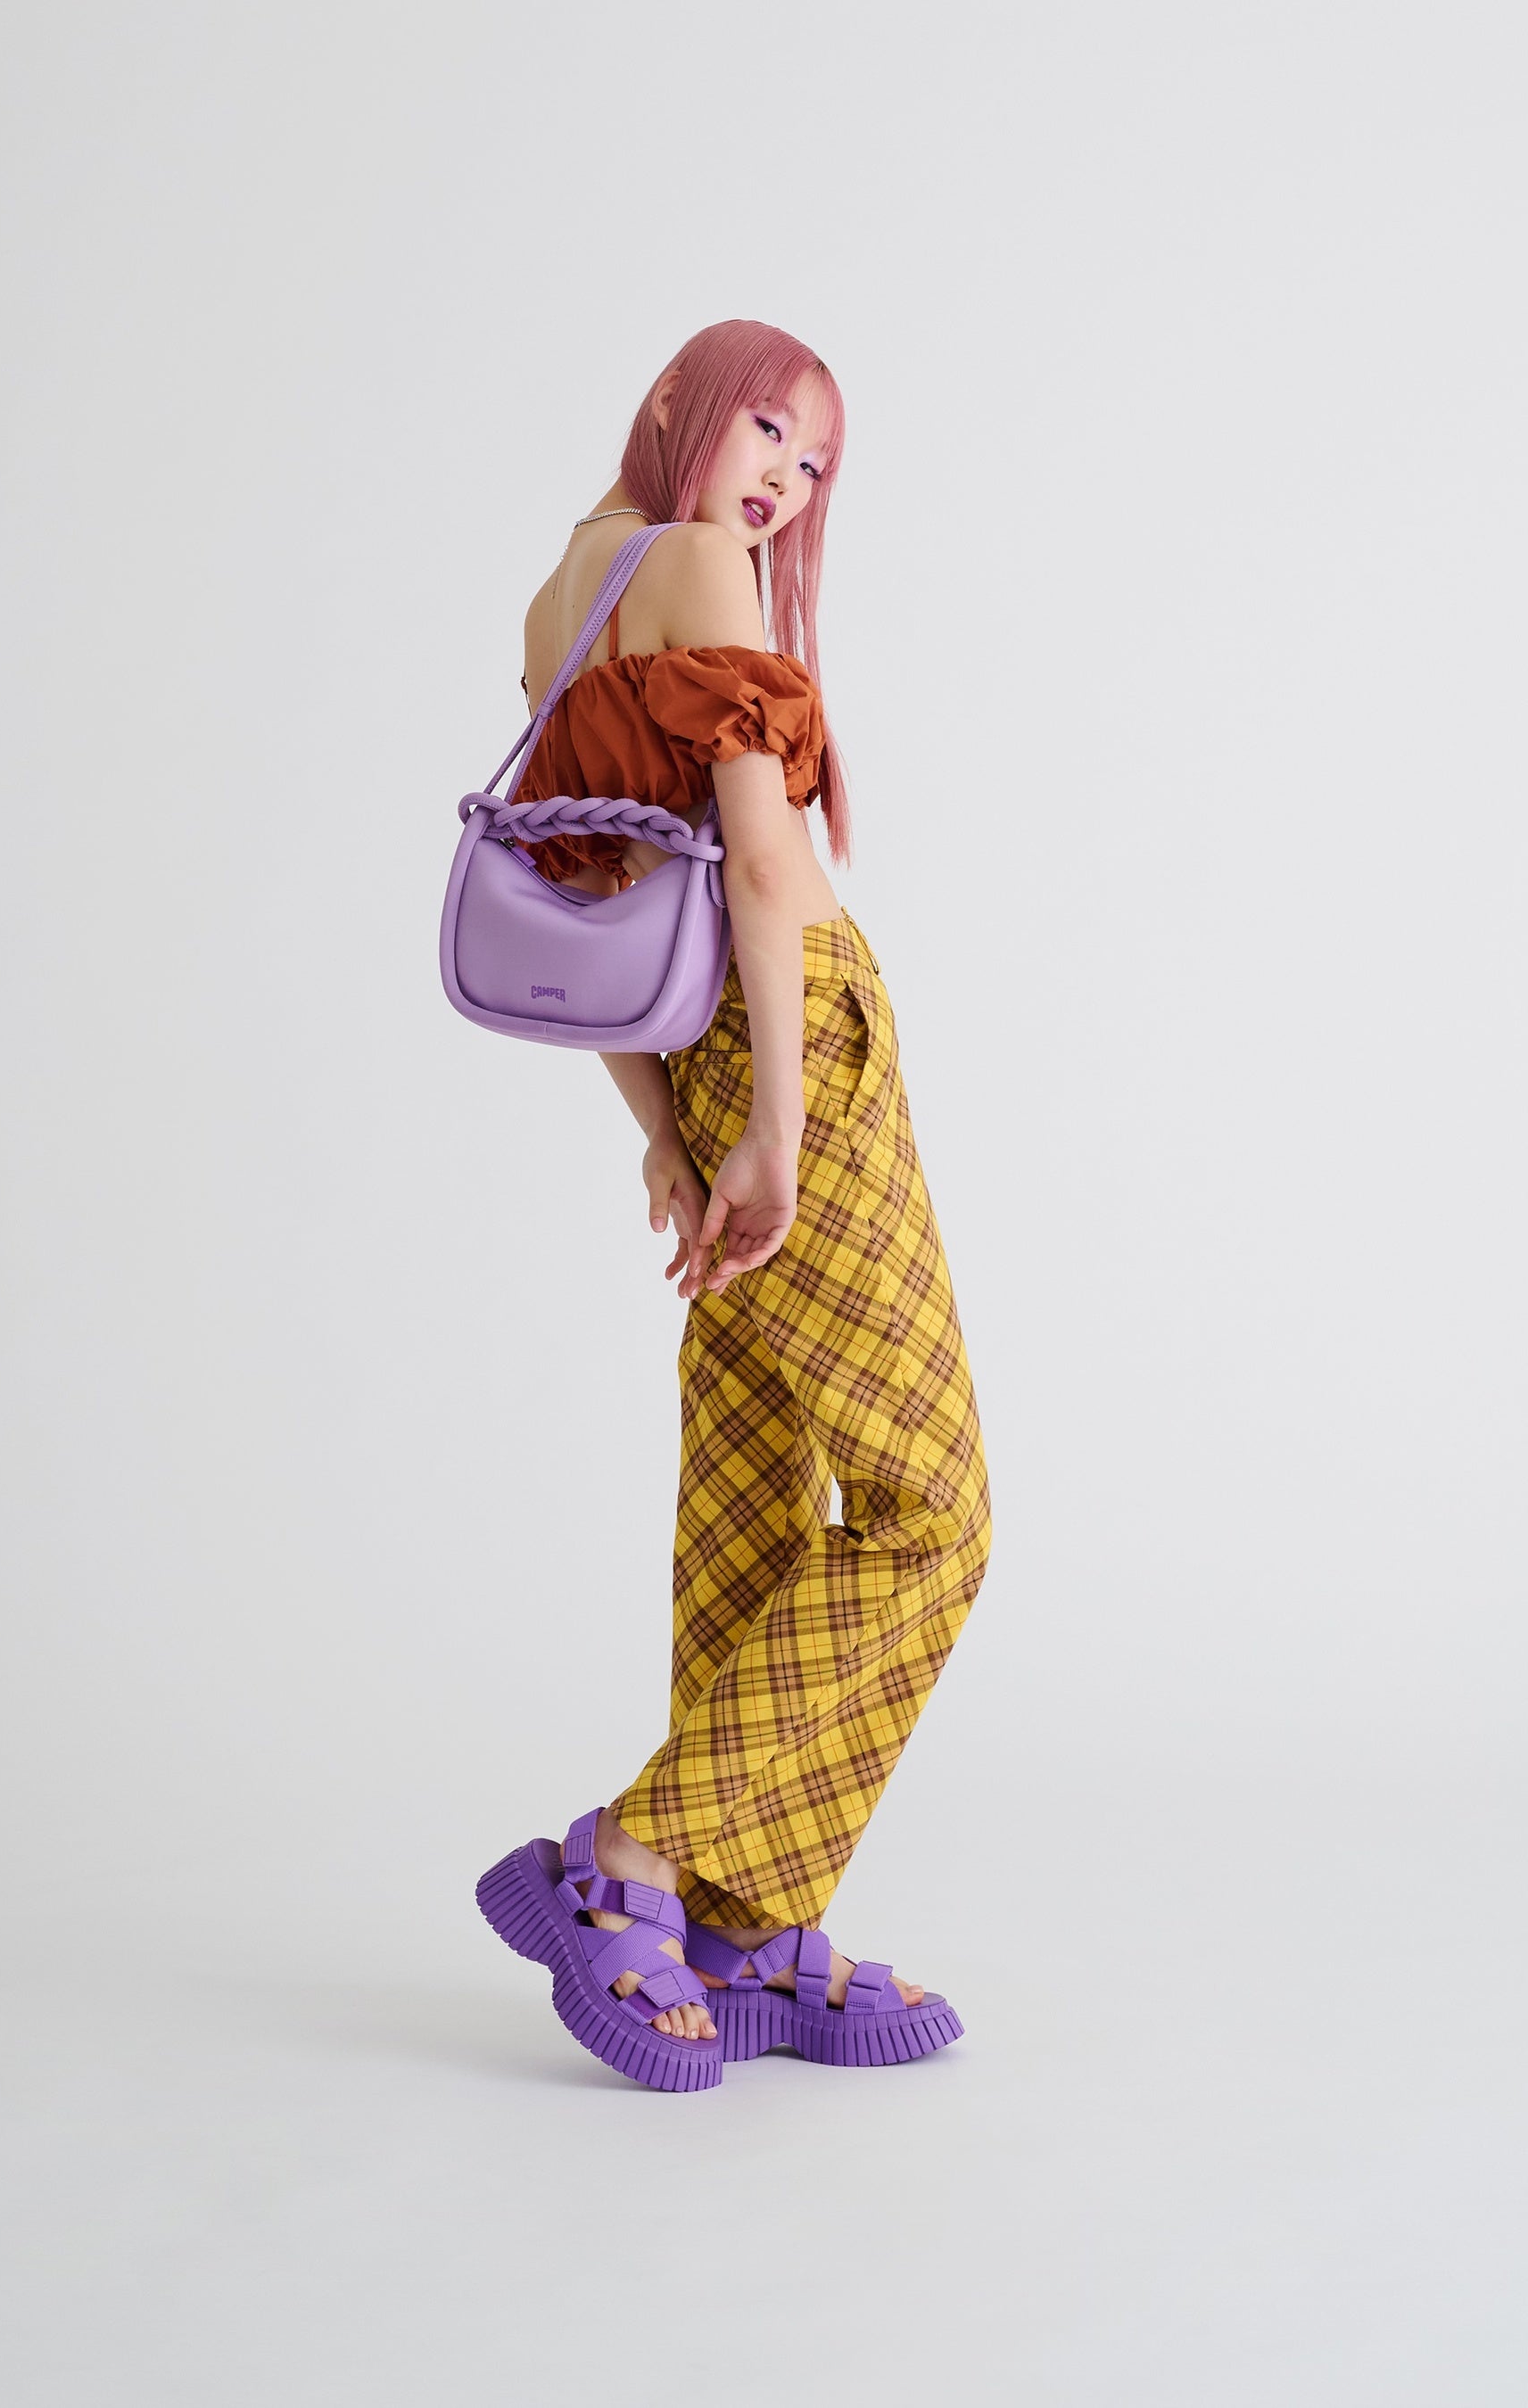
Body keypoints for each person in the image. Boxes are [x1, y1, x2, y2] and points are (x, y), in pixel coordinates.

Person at [473, 320, 992, 2090]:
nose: (782, 480)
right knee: (932, 1514)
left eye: (814, 463)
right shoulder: (699, 564)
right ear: (680, 403)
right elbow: (761, 866)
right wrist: (775, 1119)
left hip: (694, 1058)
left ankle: (738, 1919)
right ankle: (633, 1858)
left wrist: (669, 1134)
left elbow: (587, 903)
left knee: (758, 1496)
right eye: (769, 427)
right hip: (792, 1042)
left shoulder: (560, 599)